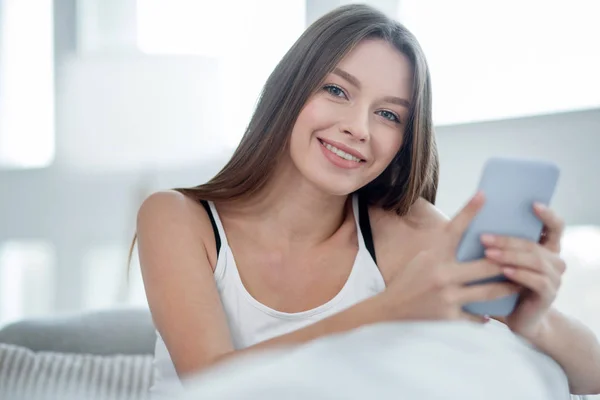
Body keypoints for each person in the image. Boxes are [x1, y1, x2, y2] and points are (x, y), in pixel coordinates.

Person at [135, 4, 600, 398]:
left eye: (388, 114)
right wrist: (390, 309)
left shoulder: (399, 228)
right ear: (289, 92)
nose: (359, 127)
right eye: (336, 90)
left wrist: (535, 323)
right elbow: (213, 383)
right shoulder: (176, 217)